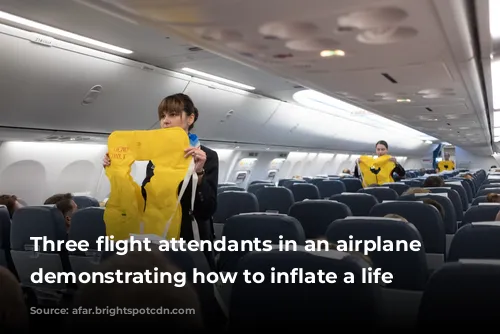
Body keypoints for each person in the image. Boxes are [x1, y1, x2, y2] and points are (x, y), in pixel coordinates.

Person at [102, 94, 219, 254]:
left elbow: (207, 210)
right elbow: (147, 199)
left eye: (173, 114)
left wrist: (199, 172)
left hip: (190, 237)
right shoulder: (156, 158)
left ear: (190, 119)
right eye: (162, 116)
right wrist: (117, 169)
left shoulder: (207, 156)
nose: (165, 121)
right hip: (160, 236)